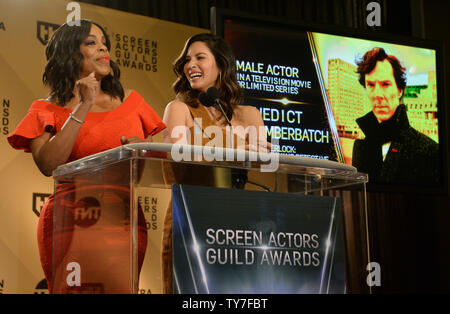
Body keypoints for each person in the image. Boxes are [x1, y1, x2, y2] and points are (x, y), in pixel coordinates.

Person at [7, 20, 166, 292]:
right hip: (70, 220)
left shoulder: (133, 103)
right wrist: (83, 106)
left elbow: (150, 172)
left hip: (123, 220)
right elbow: (48, 164)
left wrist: (140, 150)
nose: (103, 47)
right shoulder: (45, 109)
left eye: (104, 41)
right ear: (70, 54)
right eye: (91, 42)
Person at [160, 33, 270, 293]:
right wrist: (234, 150)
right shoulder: (179, 108)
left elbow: (264, 159)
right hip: (189, 220)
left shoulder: (249, 115)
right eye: (187, 60)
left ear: (221, 66)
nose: (191, 65)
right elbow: (179, 153)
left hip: (238, 225)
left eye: (200, 57)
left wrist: (240, 152)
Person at [352, 47, 439, 184]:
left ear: (400, 90)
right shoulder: (360, 147)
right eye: (371, 85)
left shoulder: (429, 150)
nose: (378, 95)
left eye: (385, 84)